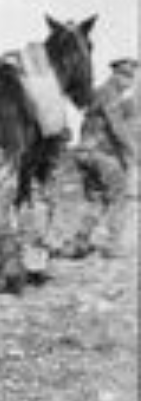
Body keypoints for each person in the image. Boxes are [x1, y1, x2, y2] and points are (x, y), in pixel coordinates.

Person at [67, 57, 138, 258]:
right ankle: (112, 245)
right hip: (101, 154)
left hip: (85, 153)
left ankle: (80, 242)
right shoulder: (109, 93)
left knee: (95, 200)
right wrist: (135, 151)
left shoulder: (101, 92)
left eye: (131, 77)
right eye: (126, 76)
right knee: (119, 197)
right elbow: (117, 127)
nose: (129, 82)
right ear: (116, 75)